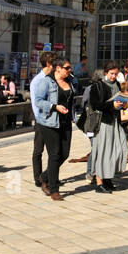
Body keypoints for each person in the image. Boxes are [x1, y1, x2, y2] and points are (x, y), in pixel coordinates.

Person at [30, 52, 66, 200]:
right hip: (42, 120)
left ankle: (49, 177)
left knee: (55, 153)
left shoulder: (53, 80)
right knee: (38, 150)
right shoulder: (38, 80)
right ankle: (38, 178)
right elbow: (35, 102)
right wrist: (40, 120)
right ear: (50, 64)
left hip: (53, 119)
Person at [88, 62, 128, 191]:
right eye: (111, 74)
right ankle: (100, 182)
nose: (113, 76)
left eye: (116, 74)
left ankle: (108, 179)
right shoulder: (97, 86)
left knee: (119, 149)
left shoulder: (116, 84)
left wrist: (123, 104)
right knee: (103, 152)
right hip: (103, 123)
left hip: (115, 121)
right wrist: (112, 106)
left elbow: (117, 101)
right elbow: (95, 105)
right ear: (106, 73)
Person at [54, 59, 75, 178]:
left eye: (70, 68)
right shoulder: (51, 82)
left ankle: (46, 176)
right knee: (55, 153)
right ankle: (52, 178)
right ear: (58, 68)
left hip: (67, 120)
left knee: (65, 153)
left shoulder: (70, 81)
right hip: (54, 121)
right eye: (67, 68)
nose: (69, 70)